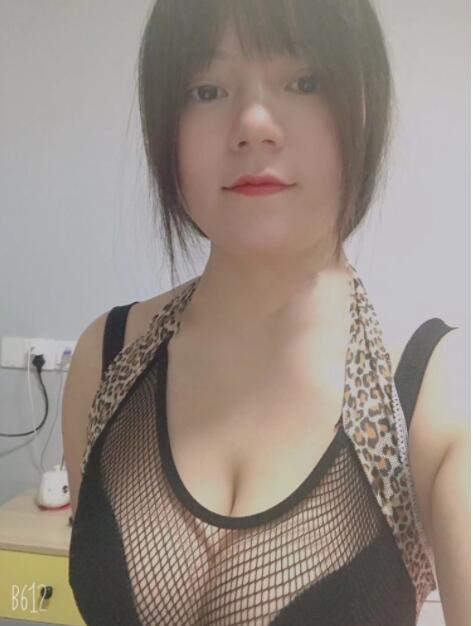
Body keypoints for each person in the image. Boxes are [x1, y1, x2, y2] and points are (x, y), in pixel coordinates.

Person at [62, 1, 469, 625]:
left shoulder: (435, 389)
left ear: (364, 105)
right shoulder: (106, 358)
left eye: (304, 81)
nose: (253, 124)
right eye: (207, 90)